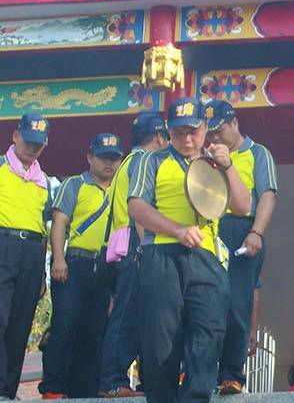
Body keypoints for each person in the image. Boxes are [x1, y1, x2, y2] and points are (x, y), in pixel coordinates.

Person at [128, 97, 251, 402]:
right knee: (161, 342)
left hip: (207, 258)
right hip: (162, 255)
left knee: (209, 332)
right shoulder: (151, 161)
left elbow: (243, 207)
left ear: (205, 128)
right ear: (168, 131)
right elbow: (137, 207)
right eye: (178, 132)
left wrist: (228, 166)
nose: (186, 139)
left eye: (193, 131)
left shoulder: (215, 162)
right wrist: (177, 231)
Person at [39, 133, 124, 399]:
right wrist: (58, 259)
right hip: (75, 263)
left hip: (107, 268)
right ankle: (53, 386)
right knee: (65, 325)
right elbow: (59, 222)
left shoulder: (121, 189)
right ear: (90, 157)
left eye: (114, 158)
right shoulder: (74, 184)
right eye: (103, 157)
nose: (109, 163)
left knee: (96, 330)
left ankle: (86, 389)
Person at [204, 100, 277, 395]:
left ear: (234, 123)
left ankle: (231, 374)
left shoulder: (258, 153)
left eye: (219, 130)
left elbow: (267, 196)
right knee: (205, 303)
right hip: (210, 229)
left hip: (242, 230)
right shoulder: (206, 154)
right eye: (210, 132)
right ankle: (202, 371)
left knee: (237, 304)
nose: (215, 137)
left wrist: (256, 232)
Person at [99, 112, 169, 398]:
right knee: (128, 315)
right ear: (159, 137)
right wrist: (146, 248)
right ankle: (113, 380)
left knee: (134, 313)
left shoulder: (127, 161)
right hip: (136, 245)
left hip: (123, 245)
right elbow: (139, 208)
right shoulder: (144, 161)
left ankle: (126, 379)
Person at [0, 114, 52, 400]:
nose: (32, 148)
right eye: (28, 141)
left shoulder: (43, 181)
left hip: (32, 252)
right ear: (15, 136)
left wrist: (42, 272)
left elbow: (44, 227)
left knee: (20, 325)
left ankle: (8, 391)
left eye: (38, 144)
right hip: (3, 244)